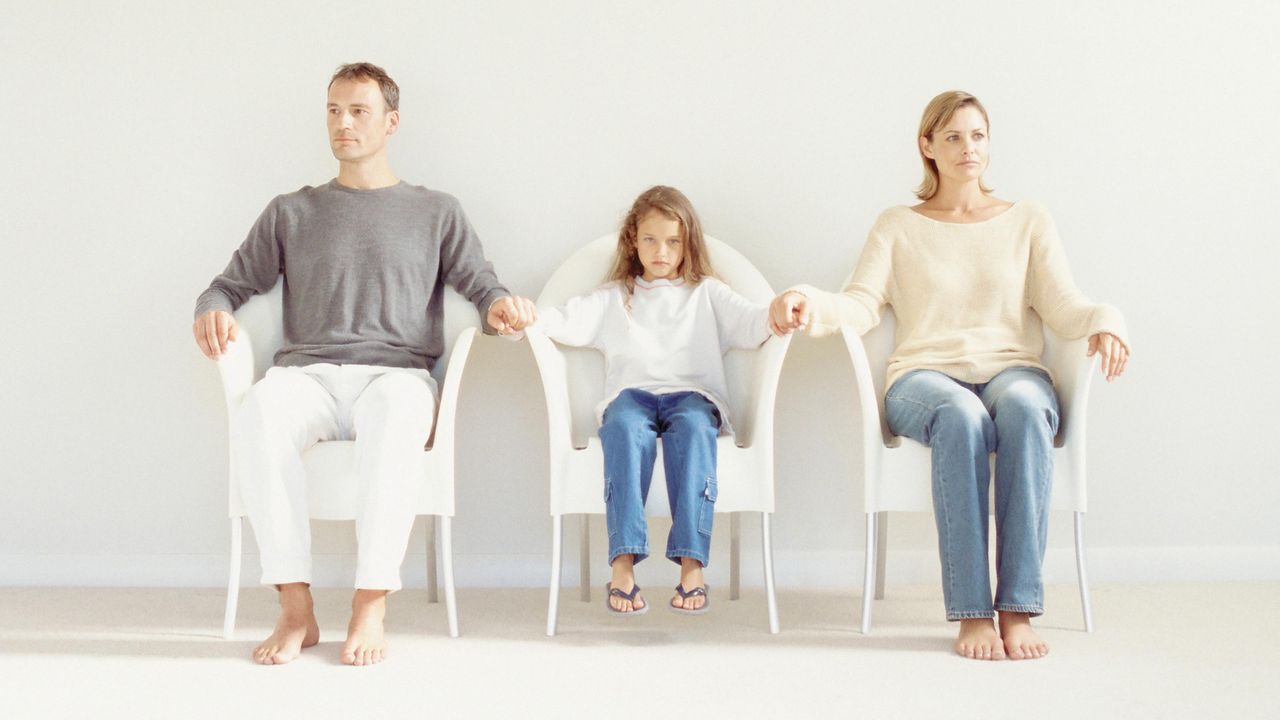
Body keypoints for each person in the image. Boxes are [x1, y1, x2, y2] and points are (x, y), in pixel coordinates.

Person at [192, 62, 535, 666]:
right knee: (260, 411)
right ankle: (296, 607)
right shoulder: (290, 211)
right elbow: (228, 284)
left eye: (358, 111)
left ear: (391, 121)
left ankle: (370, 602)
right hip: (309, 376)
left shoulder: (437, 212)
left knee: (397, 415)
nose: (342, 123)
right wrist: (212, 308)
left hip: (397, 377)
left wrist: (501, 307)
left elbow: (480, 285)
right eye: (333, 110)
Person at [770, 91, 1130, 660]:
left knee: (1025, 408)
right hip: (923, 378)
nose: (969, 149)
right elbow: (861, 303)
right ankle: (971, 613)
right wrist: (806, 302)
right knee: (960, 415)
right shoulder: (897, 225)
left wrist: (1107, 320)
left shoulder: (1028, 220)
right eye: (955, 137)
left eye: (979, 135)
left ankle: (1016, 607)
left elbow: (1064, 306)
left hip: (1012, 369)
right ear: (928, 146)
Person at [525, 186, 781, 615]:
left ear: (687, 244)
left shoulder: (708, 293)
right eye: (650, 239)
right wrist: (524, 318)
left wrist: (782, 309)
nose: (661, 251)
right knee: (622, 429)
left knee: (698, 429)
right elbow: (560, 321)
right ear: (633, 241)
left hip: (693, 398)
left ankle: (692, 566)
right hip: (632, 399)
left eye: (673, 241)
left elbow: (754, 322)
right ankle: (622, 565)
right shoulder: (614, 297)